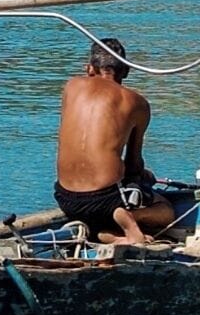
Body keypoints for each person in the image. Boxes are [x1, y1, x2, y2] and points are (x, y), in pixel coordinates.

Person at [54, 36, 175, 245]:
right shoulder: (137, 102)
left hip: (65, 198)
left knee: (97, 227)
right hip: (105, 201)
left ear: (89, 68)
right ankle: (130, 219)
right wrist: (143, 178)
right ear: (126, 71)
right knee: (166, 211)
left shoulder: (71, 87)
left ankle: (111, 237)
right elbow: (133, 164)